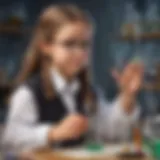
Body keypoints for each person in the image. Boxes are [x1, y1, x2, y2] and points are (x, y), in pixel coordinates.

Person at [3, 4, 143, 153]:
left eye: (85, 45)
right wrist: (53, 133)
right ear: (46, 46)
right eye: (69, 44)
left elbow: (111, 132)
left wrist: (127, 96)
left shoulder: (88, 92)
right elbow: (11, 138)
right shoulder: (29, 93)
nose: (79, 53)